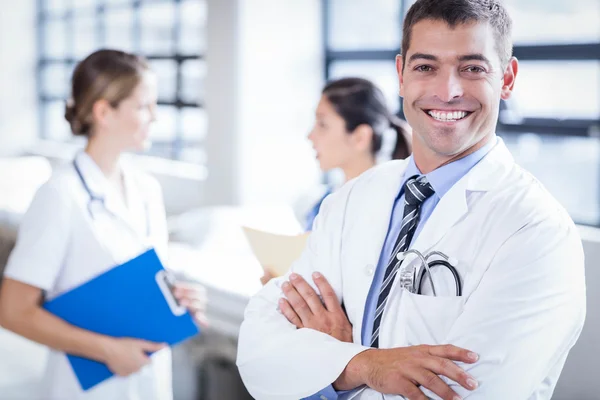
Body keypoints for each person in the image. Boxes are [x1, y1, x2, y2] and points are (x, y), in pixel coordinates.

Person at [236, 1, 586, 399]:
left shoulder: (536, 230)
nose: (447, 91)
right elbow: (258, 347)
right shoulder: (351, 199)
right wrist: (364, 365)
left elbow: (463, 393)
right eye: (426, 67)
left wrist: (325, 362)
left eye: (472, 68)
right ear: (401, 75)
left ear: (507, 78)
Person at [0, 49, 206, 400]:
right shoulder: (60, 195)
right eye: (143, 106)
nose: (154, 116)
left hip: (149, 380)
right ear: (103, 112)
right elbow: (13, 311)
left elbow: (145, 280)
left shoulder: (146, 188)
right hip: (88, 387)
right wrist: (107, 351)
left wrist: (180, 302)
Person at [260, 77, 411, 285]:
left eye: (322, 124)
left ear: (360, 137)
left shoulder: (390, 207)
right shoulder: (322, 204)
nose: (310, 135)